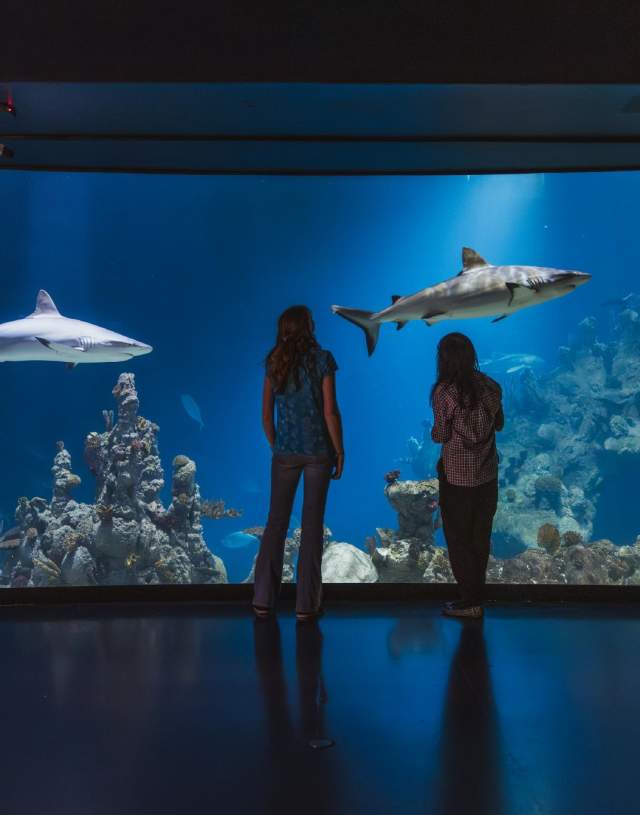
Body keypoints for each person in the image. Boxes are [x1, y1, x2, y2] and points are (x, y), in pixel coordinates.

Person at [253, 305, 344, 622]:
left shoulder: (273, 361)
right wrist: (340, 450)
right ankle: (307, 605)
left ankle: (263, 600)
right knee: (312, 526)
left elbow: (266, 416)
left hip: (285, 453)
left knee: (275, 523)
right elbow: (330, 411)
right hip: (319, 451)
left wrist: (277, 444)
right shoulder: (323, 360)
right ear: (309, 327)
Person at [430, 332, 504, 618]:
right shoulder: (491, 386)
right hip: (487, 475)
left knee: (458, 539)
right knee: (480, 538)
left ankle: (469, 601)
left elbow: (440, 434)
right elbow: (499, 424)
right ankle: (476, 598)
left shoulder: (444, 392)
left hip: (457, 479)